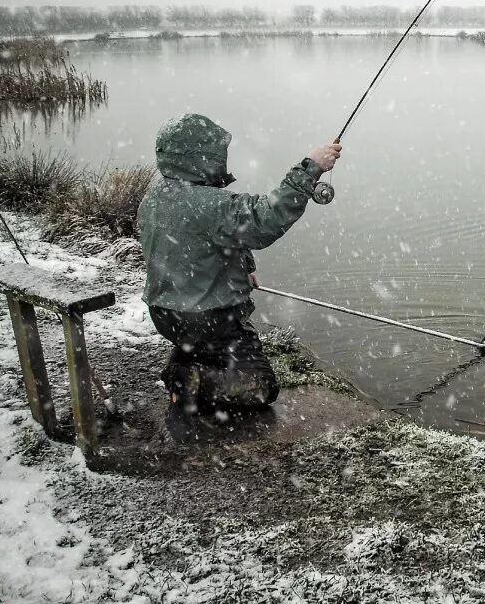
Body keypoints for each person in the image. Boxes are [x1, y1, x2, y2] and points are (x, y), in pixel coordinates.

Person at [137, 113, 340, 427]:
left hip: (165, 315)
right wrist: (311, 167)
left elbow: (198, 243)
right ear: (202, 157)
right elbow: (264, 220)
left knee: (201, 346)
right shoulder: (212, 203)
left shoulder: (155, 196)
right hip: (209, 319)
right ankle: (192, 383)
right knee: (259, 389)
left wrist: (242, 267)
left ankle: (184, 364)